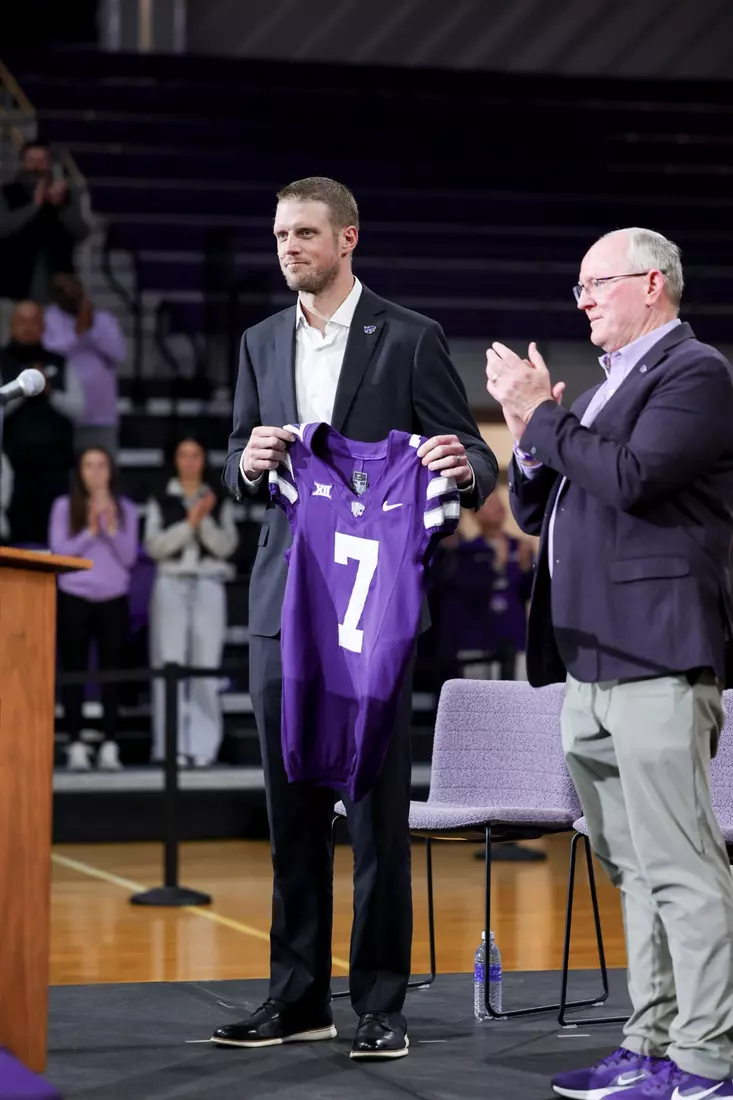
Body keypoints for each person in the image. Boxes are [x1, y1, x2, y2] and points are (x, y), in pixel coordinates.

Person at [216, 177, 497, 1059]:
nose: (287, 247)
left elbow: (474, 456)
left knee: (375, 819)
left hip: (371, 616)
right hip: (280, 606)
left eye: (304, 233)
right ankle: (296, 998)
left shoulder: (409, 337)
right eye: (279, 234)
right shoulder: (259, 342)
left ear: (347, 241)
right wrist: (249, 459)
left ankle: (380, 1002)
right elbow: (233, 461)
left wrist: (463, 463)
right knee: (291, 814)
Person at [487, 227, 733, 1100]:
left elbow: (632, 477)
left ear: (653, 285)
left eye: (596, 283)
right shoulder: (601, 389)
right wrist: (528, 432)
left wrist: (545, 418)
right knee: (631, 865)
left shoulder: (694, 372)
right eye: (578, 287)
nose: (581, 298)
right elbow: (533, 504)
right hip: (589, 659)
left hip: (657, 651)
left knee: (682, 865)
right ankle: (650, 1044)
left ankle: (707, 1060)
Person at [145, 436, 238, 768]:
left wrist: (204, 519)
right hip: (171, 582)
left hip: (209, 582)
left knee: (204, 665)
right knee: (170, 664)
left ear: (203, 459)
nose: (188, 461)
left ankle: (203, 745)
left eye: (195, 455)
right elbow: (155, 547)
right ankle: (170, 745)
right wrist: (191, 523)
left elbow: (226, 546)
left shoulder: (218, 498)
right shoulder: (161, 497)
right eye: (182, 455)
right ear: (175, 459)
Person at [49, 448, 138, 771]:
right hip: (75, 597)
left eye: (102, 465)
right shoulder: (63, 508)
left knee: (111, 673)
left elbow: (129, 558)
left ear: (110, 471)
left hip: (113, 598)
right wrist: (90, 527)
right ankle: (75, 743)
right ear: (80, 472)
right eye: (89, 466)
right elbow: (60, 552)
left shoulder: (125, 509)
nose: (96, 472)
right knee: (74, 672)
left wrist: (112, 527)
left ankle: (110, 743)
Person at [0, 300, 83, 544]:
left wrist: (50, 392)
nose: (27, 327)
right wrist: (22, 389)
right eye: (21, 321)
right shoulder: (2, 360)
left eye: (33, 321)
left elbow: (79, 408)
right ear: (11, 325)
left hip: (55, 468)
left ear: (43, 327)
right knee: (13, 542)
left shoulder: (60, 362)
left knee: (54, 539)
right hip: (12, 468)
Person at [44, 273, 126, 454]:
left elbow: (119, 354)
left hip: (101, 416)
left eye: (74, 289)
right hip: (63, 417)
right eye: (62, 290)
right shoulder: (50, 318)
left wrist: (90, 331)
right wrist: (80, 332)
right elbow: (53, 351)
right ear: (55, 295)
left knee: (104, 472)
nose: (70, 294)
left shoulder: (104, 321)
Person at [0, 141, 90, 304]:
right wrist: (34, 206)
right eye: (32, 160)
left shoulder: (65, 197)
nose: (37, 167)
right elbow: (3, 228)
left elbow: (81, 232)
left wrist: (62, 207)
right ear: (22, 163)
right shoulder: (7, 194)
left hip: (58, 294)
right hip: (12, 290)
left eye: (42, 161)